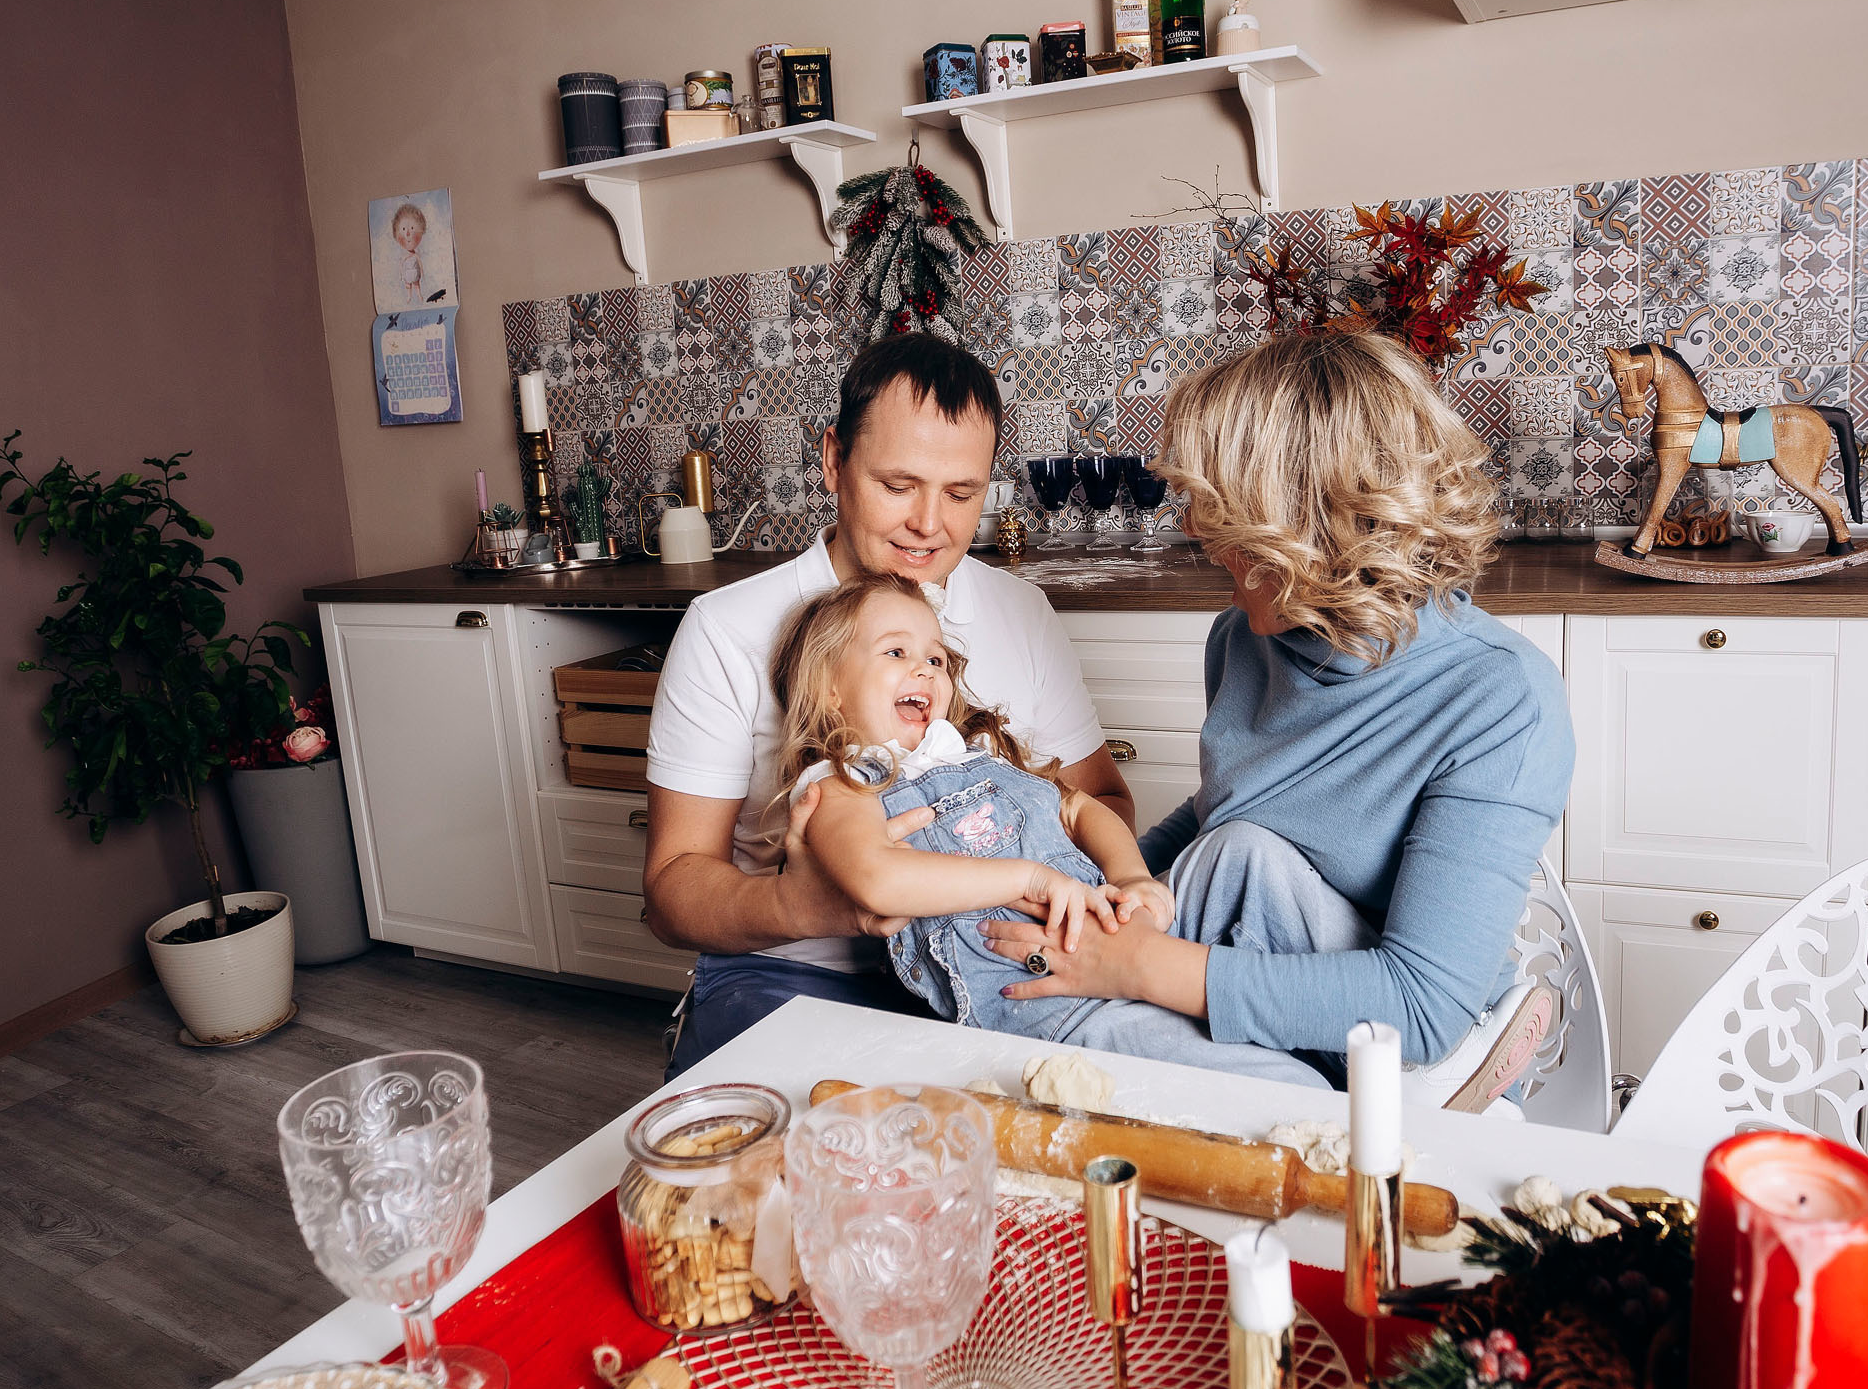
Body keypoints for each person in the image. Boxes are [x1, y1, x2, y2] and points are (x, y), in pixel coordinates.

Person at [982, 330, 1574, 1111]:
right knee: (1224, 863)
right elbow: (1231, 806)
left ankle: (1433, 1088)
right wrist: (1099, 891)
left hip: (1404, 1034)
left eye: (1215, 505)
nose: (1194, 528)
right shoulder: (1243, 638)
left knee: (1198, 904)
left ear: (1304, 522)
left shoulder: (1499, 698)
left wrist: (1135, 966)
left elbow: (1424, 1004)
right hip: (1271, 980)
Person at [642, 333, 1131, 1076]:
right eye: (899, 486)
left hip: (999, 962)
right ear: (834, 459)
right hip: (794, 977)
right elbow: (672, 890)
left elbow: (1100, 800)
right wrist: (801, 908)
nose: (929, 524)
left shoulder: (1021, 611)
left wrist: (1036, 894)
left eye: (961, 494)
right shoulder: (725, 628)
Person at [772, 573, 1329, 1088]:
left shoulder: (976, 755)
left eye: (936, 658)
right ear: (829, 689)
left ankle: (1352, 1045)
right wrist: (1028, 880)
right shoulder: (842, 782)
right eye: (896, 652)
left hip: (1122, 938)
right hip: (1057, 1010)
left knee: (1244, 855)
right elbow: (877, 879)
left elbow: (1081, 810)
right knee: (1288, 1084)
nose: (925, 670)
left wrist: (1132, 878)